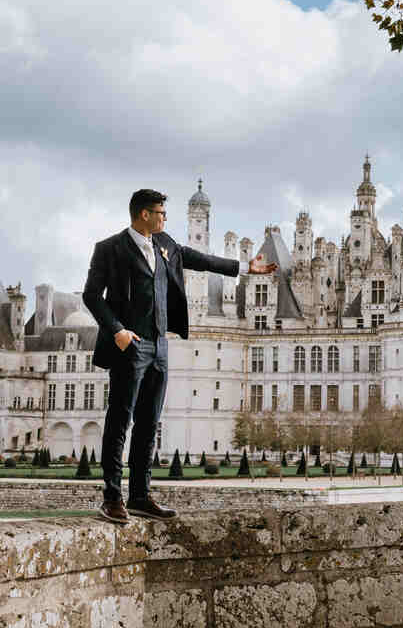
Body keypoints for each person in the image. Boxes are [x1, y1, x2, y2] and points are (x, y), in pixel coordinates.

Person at [83, 187, 276, 524]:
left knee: (148, 423)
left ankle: (140, 496)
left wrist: (246, 268)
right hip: (129, 344)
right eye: (160, 213)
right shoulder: (110, 249)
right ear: (144, 214)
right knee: (119, 421)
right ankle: (112, 497)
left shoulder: (165, 244)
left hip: (159, 346)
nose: (164, 218)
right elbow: (91, 296)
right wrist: (117, 331)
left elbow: (199, 259)